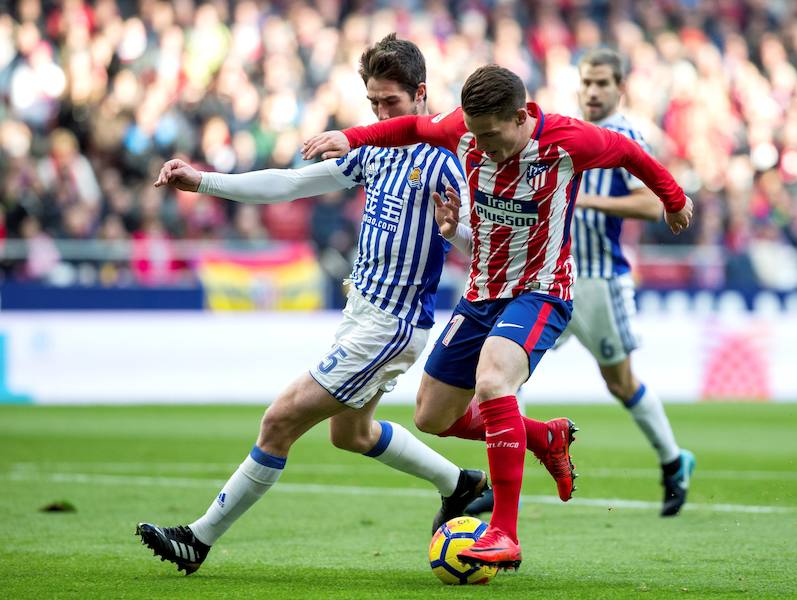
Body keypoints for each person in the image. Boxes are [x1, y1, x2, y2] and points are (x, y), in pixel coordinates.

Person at [303, 64, 693, 570]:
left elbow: (634, 155)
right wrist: (350, 137)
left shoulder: (568, 140)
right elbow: (411, 128)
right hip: (482, 293)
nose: (482, 146)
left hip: (541, 290)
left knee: (493, 382)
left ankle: (504, 532)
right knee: (432, 416)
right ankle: (542, 436)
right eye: (475, 134)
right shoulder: (464, 129)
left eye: (492, 135)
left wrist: (675, 199)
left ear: (519, 116)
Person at [135, 34, 492, 576]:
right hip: (362, 315)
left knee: (279, 420)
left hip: (390, 324)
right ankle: (461, 484)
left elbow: (486, 244)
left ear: (421, 95)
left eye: (390, 103)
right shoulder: (372, 152)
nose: (379, 112)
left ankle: (198, 538)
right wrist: (203, 181)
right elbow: (291, 184)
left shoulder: (445, 160)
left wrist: (456, 230)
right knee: (350, 433)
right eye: (372, 102)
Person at [464, 49, 697, 520]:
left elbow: (653, 206)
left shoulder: (622, 137)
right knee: (503, 375)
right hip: (543, 279)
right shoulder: (552, 134)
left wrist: (583, 198)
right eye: (587, 82)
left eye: (603, 84)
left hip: (599, 281)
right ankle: (508, 481)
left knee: (620, 381)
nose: (593, 91)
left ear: (620, 89)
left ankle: (674, 460)